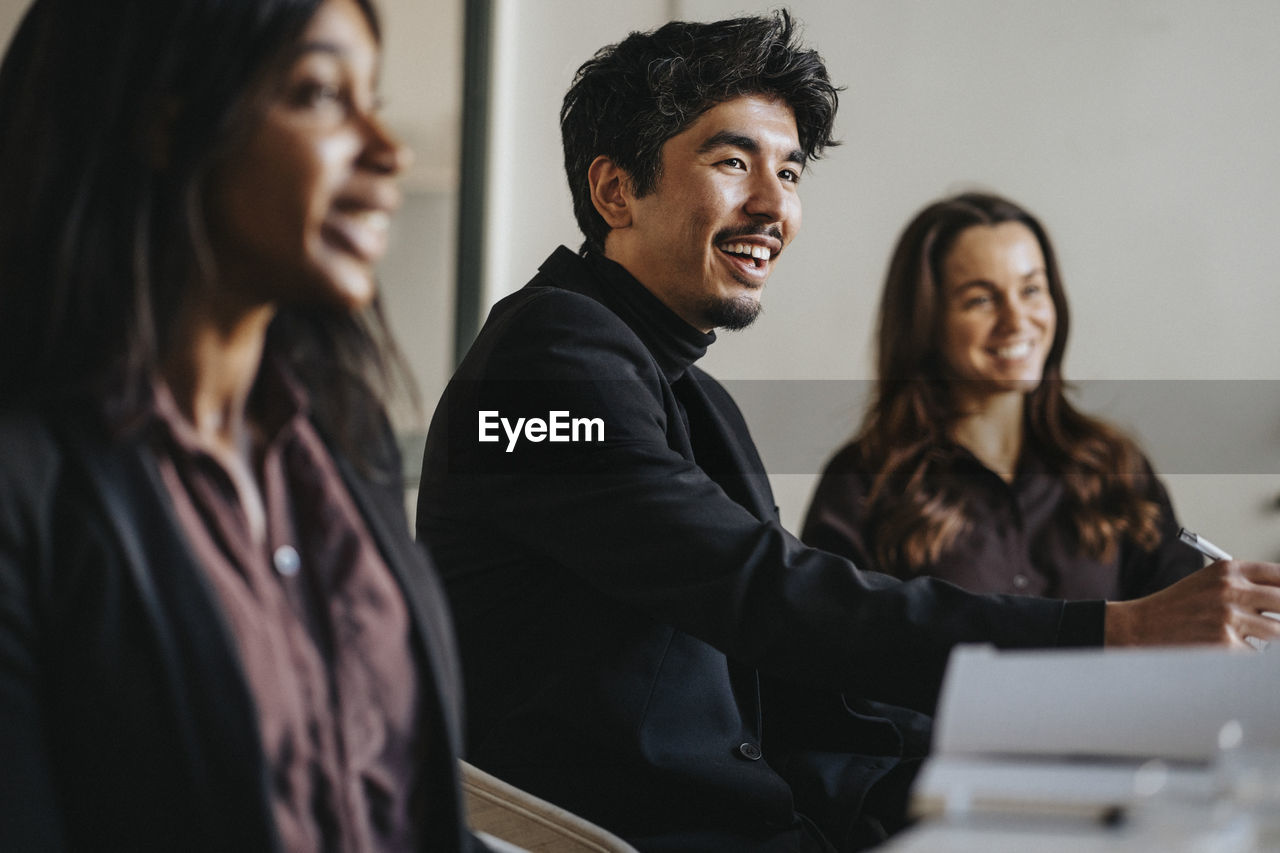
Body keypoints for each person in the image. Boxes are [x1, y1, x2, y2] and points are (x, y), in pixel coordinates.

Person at [415, 12, 1280, 852]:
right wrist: (1111, 633)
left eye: (790, 174)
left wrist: (1000, 782)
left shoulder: (692, 394)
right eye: (732, 161)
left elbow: (794, 678)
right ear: (616, 190)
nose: (772, 205)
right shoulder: (546, 360)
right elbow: (767, 593)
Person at [0, 0, 485, 849]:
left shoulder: (341, 436)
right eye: (321, 94)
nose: (388, 149)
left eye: (373, 95)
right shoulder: (26, 486)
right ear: (162, 120)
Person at [802, 191, 1202, 599]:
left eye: (1030, 290)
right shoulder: (862, 483)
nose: (1016, 322)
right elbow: (827, 641)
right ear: (927, 322)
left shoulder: (1114, 463)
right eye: (981, 299)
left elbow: (1185, 626)